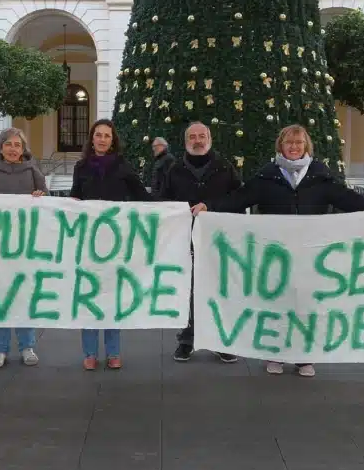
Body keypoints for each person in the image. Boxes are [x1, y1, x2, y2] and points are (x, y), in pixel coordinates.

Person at [193, 124, 364, 376]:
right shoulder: (267, 177)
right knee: (276, 304)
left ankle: (304, 356)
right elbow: (238, 199)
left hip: (311, 256)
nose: (294, 147)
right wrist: (209, 207)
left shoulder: (320, 177)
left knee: (306, 305)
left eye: (299, 143)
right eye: (289, 143)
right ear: (281, 146)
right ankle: (275, 354)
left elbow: (351, 200)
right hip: (275, 255)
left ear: (306, 146)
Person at [71, 119, 152, 370]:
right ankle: (90, 353)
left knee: (113, 297)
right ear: (92, 139)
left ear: (112, 140)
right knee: (89, 295)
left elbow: (142, 196)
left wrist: (173, 207)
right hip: (88, 241)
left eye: (107, 136)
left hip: (116, 242)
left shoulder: (123, 167)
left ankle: (113, 352)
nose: (102, 139)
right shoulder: (81, 167)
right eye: (98, 135)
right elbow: (75, 195)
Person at [159, 122, 242, 364]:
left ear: (209, 138)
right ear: (186, 141)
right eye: (192, 137)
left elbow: (238, 198)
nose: (197, 140)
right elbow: (163, 200)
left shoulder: (225, 167)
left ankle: (220, 340)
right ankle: (187, 340)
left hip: (219, 239)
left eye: (202, 136)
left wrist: (211, 207)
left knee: (219, 288)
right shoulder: (174, 169)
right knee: (188, 288)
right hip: (185, 239)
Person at [0, 128, 47, 369]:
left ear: (23, 149)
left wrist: (41, 196)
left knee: (24, 295)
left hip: (26, 247)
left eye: (17, 145)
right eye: (9, 144)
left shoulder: (34, 174)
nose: (13, 149)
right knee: (0, 298)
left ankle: (27, 346)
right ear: (1, 147)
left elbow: (48, 205)